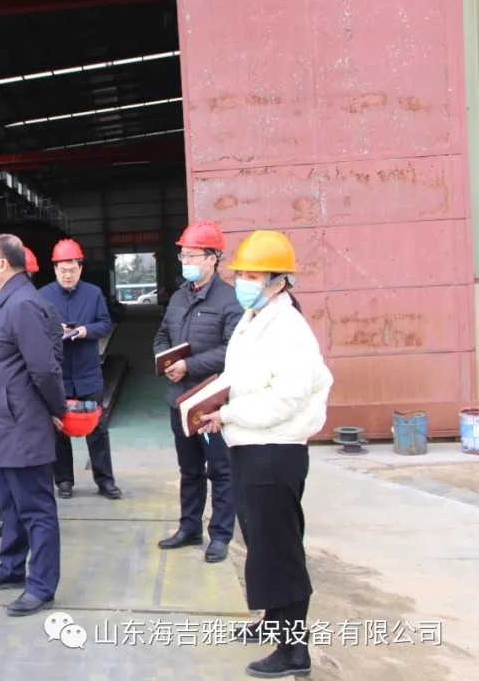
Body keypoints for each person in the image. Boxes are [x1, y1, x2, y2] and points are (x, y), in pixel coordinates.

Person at [195, 230, 332, 678]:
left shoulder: (288, 328)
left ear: (278, 280)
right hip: (251, 445)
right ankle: (273, 620)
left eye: (253, 276)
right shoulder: (255, 317)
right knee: (259, 541)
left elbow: (286, 399)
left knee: (279, 548)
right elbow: (238, 376)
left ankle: (294, 650)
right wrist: (211, 404)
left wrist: (227, 414)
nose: (243, 282)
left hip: (274, 449)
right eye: (242, 275)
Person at [0, 234, 67, 617]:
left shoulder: (23, 304)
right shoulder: (4, 301)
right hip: (1, 423)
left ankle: (41, 585)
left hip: (20, 424)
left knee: (36, 508)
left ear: (2, 264)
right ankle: (11, 567)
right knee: (9, 504)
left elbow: (44, 368)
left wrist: (57, 408)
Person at [153, 220, 243, 564]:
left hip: (211, 400)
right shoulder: (179, 296)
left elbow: (232, 349)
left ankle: (219, 535)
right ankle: (189, 527)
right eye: (183, 255)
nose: (186, 261)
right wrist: (165, 360)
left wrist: (188, 365)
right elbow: (162, 334)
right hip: (179, 399)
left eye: (192, 256)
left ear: (212, 258)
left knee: (220, 470)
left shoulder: (230, 300)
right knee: (189, 469)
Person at [39, 238, 122, 500]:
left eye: (73, 270)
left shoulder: (93, 293)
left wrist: (85, 330)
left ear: (80, 269)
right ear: (55, 269)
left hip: (88, 372)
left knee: (97, 428)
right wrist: (56, 330)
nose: (68, 275)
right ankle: (64, 481)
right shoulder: (43, 296)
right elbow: (35, 329)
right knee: (58, 429)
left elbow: (105, 323)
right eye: (63, 270)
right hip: (58, 373)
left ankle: (105, 481)